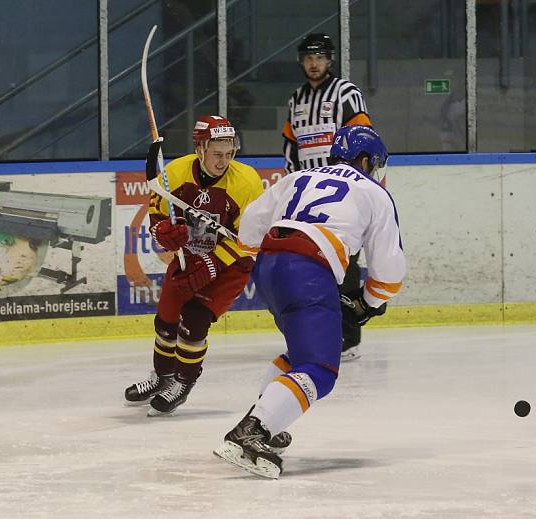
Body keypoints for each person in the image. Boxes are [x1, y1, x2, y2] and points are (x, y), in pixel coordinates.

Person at [215, 125, 405, 478]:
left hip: (269, 268)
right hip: (308, 271)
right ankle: (252, 432)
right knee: (320, 369)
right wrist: (366, 304)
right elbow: (389, 274)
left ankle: (264, 418)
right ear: (365, 160)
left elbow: (248, 232)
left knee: (302, 355)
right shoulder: (372, 192)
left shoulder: (297, 178)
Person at [124, 115, 264, 416]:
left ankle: (183, 382)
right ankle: (162, 377)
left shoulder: (247, 182)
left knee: (195, 320)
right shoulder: (174, 172)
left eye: (229, 154)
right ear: (200, 149)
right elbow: (158, 211)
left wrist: (213, 264)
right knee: (165, 320)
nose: (222, 161)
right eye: (216, 154)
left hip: (230, 266)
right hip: (189, 257)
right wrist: (161, 231)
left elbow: (251, 238)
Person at [282, 33, 374, 361]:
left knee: (344, 263)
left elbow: (363, 141)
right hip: (308, 196)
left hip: (343, 193)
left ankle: (348, 337)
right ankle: (320, 333)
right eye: (308, 57)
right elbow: (291, 148)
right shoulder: (296, 99)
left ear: (330, 59)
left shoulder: (346, 93)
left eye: (319, 56)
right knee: (313, 267)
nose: (313, 63)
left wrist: (360, 186)